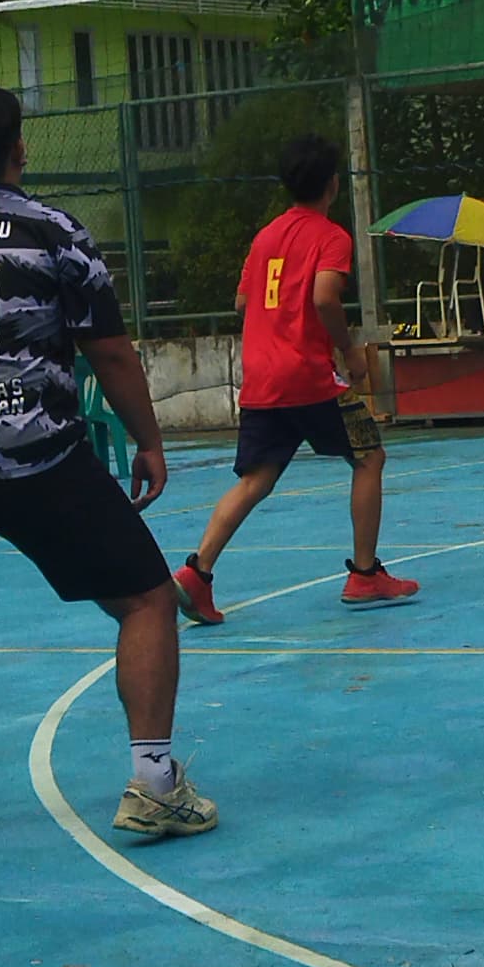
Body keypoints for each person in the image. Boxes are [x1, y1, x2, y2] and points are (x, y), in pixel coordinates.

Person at [0, 81, 212, 849]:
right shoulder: (52, 233)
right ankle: (153, 783)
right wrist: (148, 440)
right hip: (40, 460)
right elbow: (107, 349)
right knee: (147, 601)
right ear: (17, 150)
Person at [173, 133, 418, 623]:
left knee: (256, 479)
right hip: (307, 377)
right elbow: (325, 297)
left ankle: (197, 573)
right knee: (369, 456)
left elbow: (243, 301)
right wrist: (348, 350)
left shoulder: (265, 237)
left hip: (261, 376)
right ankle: (365, 574)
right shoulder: (331, 237)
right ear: (333, 184)